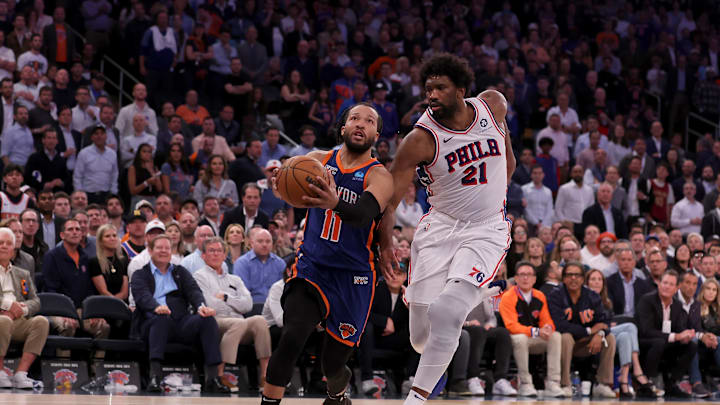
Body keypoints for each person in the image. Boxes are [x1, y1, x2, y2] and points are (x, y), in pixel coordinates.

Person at [378, 54, 512, 405]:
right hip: (439, 229)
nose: (432, 94)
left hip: (485, 229)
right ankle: (469, 291)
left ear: (461, 91)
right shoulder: (420, 139)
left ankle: (416, 398)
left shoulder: (493, 105)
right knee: (421, 338)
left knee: (448, 313)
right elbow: (390, 200)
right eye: (428, 88)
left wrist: (491, 201)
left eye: (441, 87)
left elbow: (507, 159)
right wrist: (384, 243)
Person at [262, 101, 394, 405]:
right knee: (292, 336)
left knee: (333, 363)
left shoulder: (379, 177)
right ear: (343, 127)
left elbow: (362, 215)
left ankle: (337, 396)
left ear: (377, 135)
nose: (361, 124)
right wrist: (281, 185)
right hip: (313, 266)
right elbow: (289, 192)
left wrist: (334, 202)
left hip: (355, 276)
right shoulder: (315, 160)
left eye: (370, 121)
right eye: (355, 118)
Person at [129, 234, 229, 393]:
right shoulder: (140, 274)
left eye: (167, 248)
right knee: (160, 318)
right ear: (150, 250)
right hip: (152, 322)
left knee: (207, 320)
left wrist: (201, 306)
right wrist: (156, 307)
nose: (163, 251)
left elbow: (193, 291)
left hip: (180, 321)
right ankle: (155, 377)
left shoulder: (180, 271)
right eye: (159, 247)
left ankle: (213, 378)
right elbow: (142, 297)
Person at [193, 237, 272, 391]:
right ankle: (219, 375)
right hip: (215, 321)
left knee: (260, 320)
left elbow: (248, 304)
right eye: (211, 250)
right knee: (239, 322)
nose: (216, 254)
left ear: (224, 255)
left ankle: (265, 375)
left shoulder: (234, 279)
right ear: (204, 255)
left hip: (237, 320)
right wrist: (236, 304)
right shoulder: (199, 276)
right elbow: (211, 304)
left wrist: (227, 297)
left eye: (219, 251)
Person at [547, 262, 617, 398]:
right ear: (564, 278)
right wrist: (590, 331)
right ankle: (565, 384)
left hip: (587, 344)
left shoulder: (592, 296)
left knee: (609, 338)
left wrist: (600, 334)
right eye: (569, 275)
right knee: (566, 336)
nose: (573, 278)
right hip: (565, 345)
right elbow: (560, 325)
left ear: (583, 278)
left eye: (577, 275)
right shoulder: (555, 295)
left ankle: (603, 384)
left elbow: (604, 322)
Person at [42, 219, 110, 356]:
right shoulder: (52, 256)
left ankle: (96, 370)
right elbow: (50, 289)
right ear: (62, 235)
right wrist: (65, 312)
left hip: (81, 309)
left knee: (103, 327)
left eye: (78, 229)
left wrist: (93, 312)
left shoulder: (86, 257)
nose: (75, 232)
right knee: (67, 326)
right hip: (58, 308)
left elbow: (89, 289)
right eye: (70, 229)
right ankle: (63, 369)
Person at [499, 262, 563, 397]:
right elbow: (511, 326)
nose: (525, 278)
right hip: (514, 339)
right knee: (520, 338)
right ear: (515, 278)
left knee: (555, 336)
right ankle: (525, 383)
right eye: (522, 275)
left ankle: (553, 383)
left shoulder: (540, 296)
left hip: (534, 338)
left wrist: (548, 328)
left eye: (529, 275)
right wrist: (536, 331)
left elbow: (547, 319)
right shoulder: (508, 297)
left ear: (534, 279)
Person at [636, 270, 697, 398]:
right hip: (645, 343)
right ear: (659, 284)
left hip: (665, 343)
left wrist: (685, 336)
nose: (666, 286)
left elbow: (679, 328)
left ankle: (671, 383)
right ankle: (646, 383)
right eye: (664, 282)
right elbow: (646, 330)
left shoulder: (677, 305)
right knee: (659, 342)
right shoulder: (647, 300)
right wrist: (676, 337)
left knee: (691, 345)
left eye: (670, 284)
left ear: (676, 288)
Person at [0, 227, 48, 389]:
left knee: (41, 321)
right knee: (4, 321)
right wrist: (7, 305)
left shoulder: (23, 274)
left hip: (18, 319)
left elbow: (35, 300)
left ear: (13, 251)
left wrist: (23, 309)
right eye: (0, 243)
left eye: (8, 244)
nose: (4, 246)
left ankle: (21, 374)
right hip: (1, 319)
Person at [233, 228, 284, 304]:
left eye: (268, 241)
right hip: (251, 306)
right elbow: (242, 294)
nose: (264, 245)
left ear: (272, 244)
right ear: (252, 243)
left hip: (276, 306)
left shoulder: (280, 263)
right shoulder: (242, 263)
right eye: (260, 241)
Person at [73, 125, 118, 204]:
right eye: (96, 134)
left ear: (106, 136)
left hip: (106, 194)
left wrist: (113, 193)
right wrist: (79, 194)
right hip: (88, 194)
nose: (99, 136)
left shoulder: (112, 154)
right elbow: (78, 176)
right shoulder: (84, 153)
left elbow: (114, 174)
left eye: (102, 133)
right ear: (92, 137)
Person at [607, 247, 654, 319]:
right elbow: (608, 308)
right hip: (617, 320)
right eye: (623, 260)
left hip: (637, 321)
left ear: (634, 262)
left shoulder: (642, 284)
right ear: (618, 262)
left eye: (629, 260)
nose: (626, 263)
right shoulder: (609, 282)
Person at [88, 224, 128, 301]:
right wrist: (115, 302)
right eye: (107, 236)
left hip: (123, 305)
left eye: (114, 235)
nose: (112, 238)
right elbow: (103, 292)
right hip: (103, 304)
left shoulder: (123, 261)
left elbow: (125, 292)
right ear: (100, 241)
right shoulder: (95, 262)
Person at [128, 143, 162, 210]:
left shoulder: (154, 168)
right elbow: (132, 191)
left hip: (152, 201)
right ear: (139, 153)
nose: (147, 154)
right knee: (137, 218)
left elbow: (159, 188)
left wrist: (151, 171)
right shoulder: (133, 168)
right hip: (138, 201)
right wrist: (146, 183)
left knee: (152, 219)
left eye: (149, 152)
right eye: (144, 151)